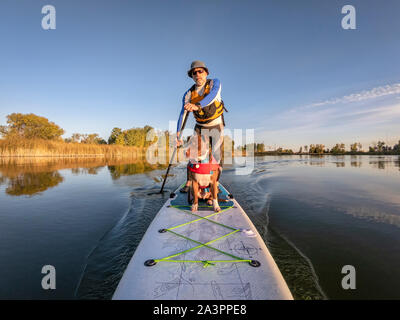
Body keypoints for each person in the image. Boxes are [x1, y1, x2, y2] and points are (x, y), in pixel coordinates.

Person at [176, 60, 226, 193]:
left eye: (200, 71)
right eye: (194, 73)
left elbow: (212, 96)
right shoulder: (188, 94)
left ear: (206, 72)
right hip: (200, 126)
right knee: (192, 154)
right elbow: (183, 114)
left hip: (216, 125)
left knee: (216, 156)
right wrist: (178, 135)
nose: (197, 74)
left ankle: (214, 183)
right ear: (192, 76)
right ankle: (189, 182)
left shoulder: (215, 83)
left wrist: (197, 105)